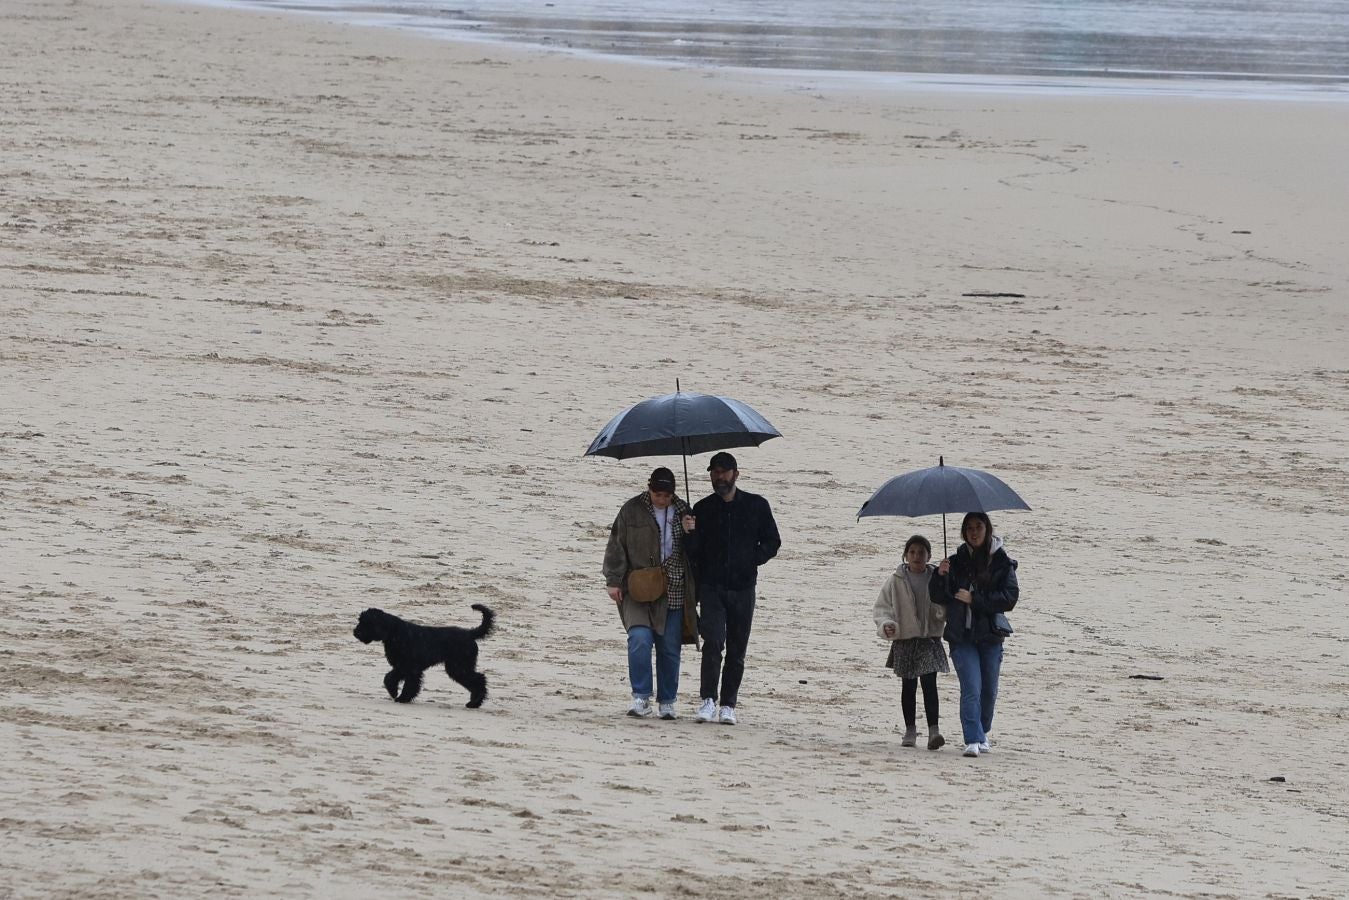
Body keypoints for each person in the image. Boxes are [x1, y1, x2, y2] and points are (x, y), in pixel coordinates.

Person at [684, 451, 781, 725]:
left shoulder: (757, 505)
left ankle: (728, 704)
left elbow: (773, 541)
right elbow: (693, 553)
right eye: (715, 472)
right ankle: (708, 700)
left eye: (724, 472)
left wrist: (751, 560)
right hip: (712, 587)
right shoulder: (701, 509)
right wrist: (690, 531)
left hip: (743, 588)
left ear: (736, 474)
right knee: (713, 642)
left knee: (737, 649)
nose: (720, 477)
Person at [603, 467, 698, 720]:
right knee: (639, 640)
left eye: (667, 495)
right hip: (637, 587)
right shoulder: (631, 509)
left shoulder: (684, 511)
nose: (662, 499)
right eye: (658, 494)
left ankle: (667, 701)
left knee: (669, 648)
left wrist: (691, 531)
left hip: (674, 587)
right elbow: (616, 545)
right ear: (649, 488)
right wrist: (613, 581)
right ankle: (641, 697)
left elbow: (697, 553)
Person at [930, 512, 1020, 758]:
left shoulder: (1002, 561)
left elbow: (1010, 597)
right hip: (961, 636)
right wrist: (939, 576)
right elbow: (938, 596)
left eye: (978, 527)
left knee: (989, 691)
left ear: (987, 529)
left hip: (990, 636)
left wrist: (975, 599)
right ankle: (973, 738)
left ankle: (982, 730)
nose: (973, 532)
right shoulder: (955, 561)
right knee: (971, 687)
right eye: (969, 528)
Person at [872, 534, 947, 750]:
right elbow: (882, 607)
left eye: (921, 552)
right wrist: (887, 623)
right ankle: (910, 730)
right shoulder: (895, 580)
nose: (916, 556)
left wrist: (942, 610)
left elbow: (944, 603)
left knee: (930, 684)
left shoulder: (936, 577)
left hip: (929, 640)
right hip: (904, 640)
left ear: (929, 555)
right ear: (905, 555)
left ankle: (934, 731)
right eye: (912, 552)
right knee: (909, 686)